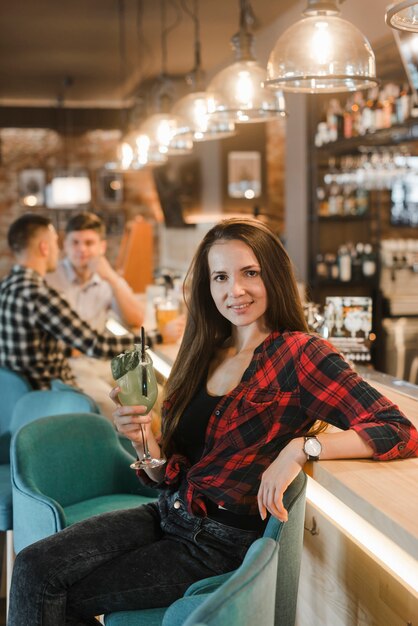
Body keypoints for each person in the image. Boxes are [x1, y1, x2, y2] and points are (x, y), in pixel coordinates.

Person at [8, 218, 418, 626]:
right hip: (169, 512)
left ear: (273, 275)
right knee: (31, 565)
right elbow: (167, 472)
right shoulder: (206, 349)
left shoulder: (302, 354)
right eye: (220, 277)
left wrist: (301, 448)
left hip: (217, 545)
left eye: (249, 273)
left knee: (52, 592)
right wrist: (142, 438)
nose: (233, 290)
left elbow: (398, 429)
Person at [0, 213, 146, 403]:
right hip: (65, 376)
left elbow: (135, 319)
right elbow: (95, 345)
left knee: (151, 394)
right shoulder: (44, 285)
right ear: (61, 246)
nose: (81, 249)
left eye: (88, 243)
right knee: (121, 407)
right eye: (74, 242)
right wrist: (155, 339)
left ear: (102, 247)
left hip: (99, 363)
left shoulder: (105, 279)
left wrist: (110, 277)